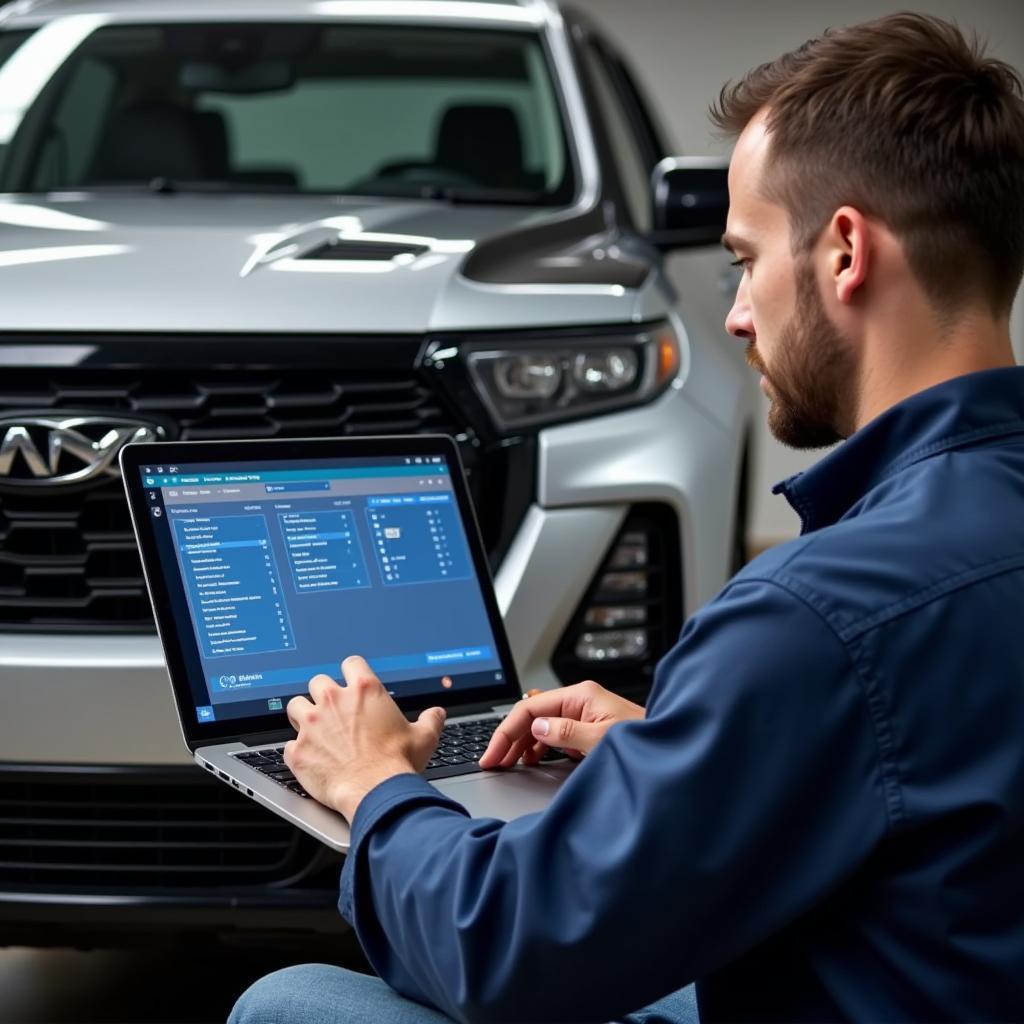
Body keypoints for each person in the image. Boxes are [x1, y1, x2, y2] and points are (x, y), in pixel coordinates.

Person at [229, 13, 1024, 1022]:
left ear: (844, 253)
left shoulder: (816, 615)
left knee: (288, 1001)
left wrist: (374, 783)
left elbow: (507, 947)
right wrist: (697, 756)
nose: (737, 313)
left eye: (743, 259)